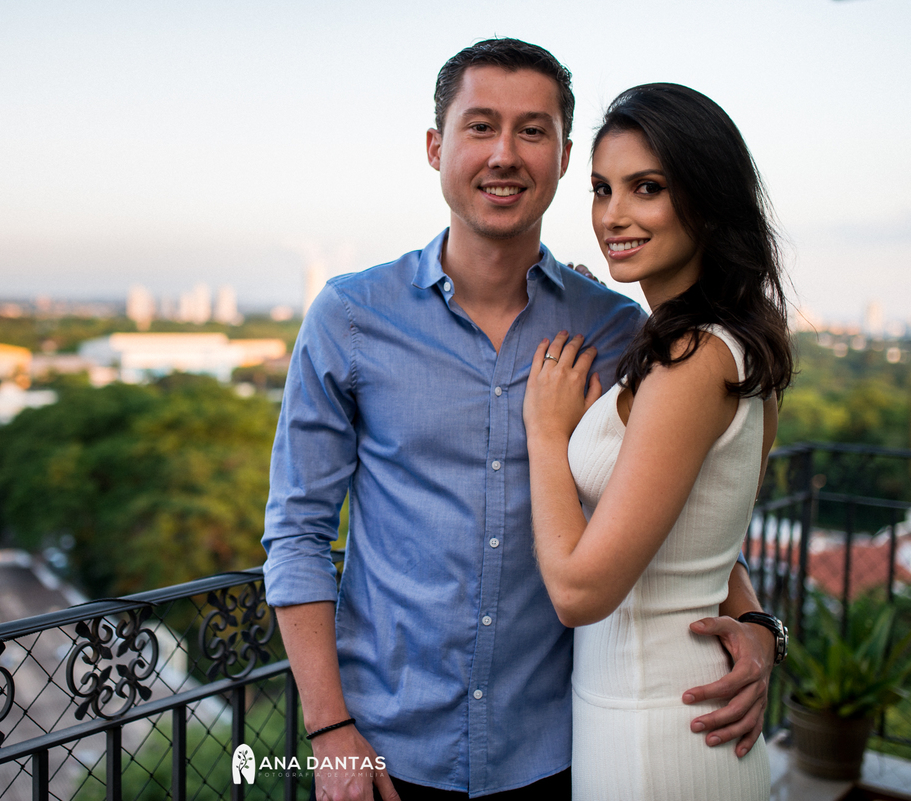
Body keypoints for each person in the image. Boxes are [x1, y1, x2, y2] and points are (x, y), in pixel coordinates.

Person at [263, 39, 780, 800]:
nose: (504, 153)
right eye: (480, 126)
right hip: (387, 750)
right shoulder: (351, 317)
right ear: (437, 146)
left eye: (532, 131)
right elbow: (297, 530)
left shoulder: (620, 331)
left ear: (564, 156)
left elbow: (667, 507)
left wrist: (758, 622)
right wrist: (329, 727)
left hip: (558, 750)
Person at [522, 83, 793, 800]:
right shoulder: (703, 345)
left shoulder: (696, 360)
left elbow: (580, 592)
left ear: (706, 198)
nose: (614, 215)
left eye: (647, 188)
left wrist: (548, 434)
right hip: (654, 713)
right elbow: (697, 530)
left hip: (660, 731)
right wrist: (760, 622)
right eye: (602, 188)